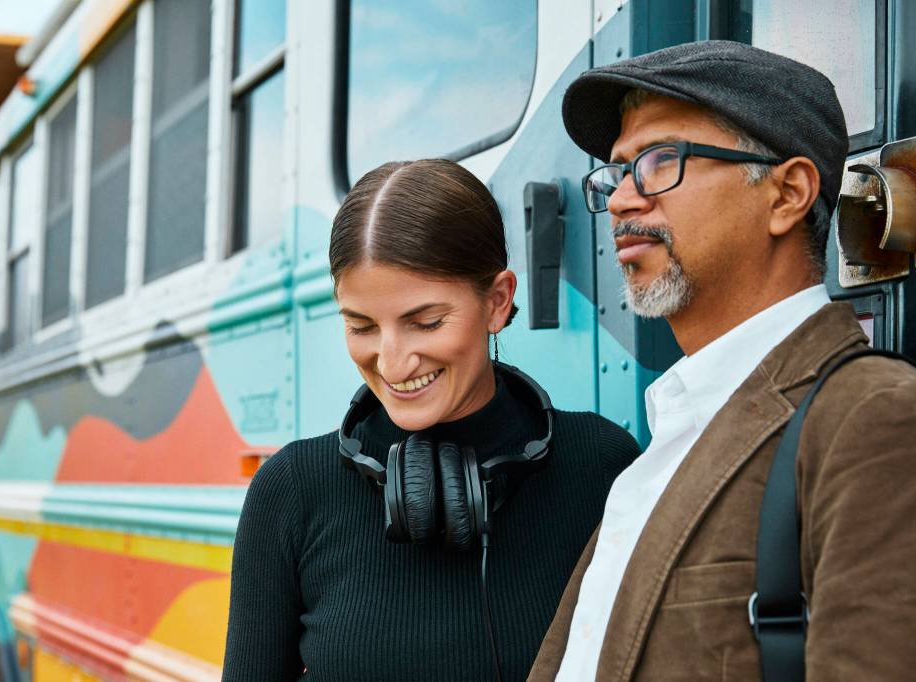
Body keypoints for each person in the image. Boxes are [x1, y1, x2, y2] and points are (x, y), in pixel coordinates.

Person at [529, 41, 916, 681]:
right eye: (617, 173)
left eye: (658, 161)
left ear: (786, 194)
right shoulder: (663, 445)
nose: (620, 201)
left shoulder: (880, 420)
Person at [222, 158, 640, 681]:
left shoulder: (604, 466)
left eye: (425, 323)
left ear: (498, 301)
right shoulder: (292, 489)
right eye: (362, 326)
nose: (393, 363)